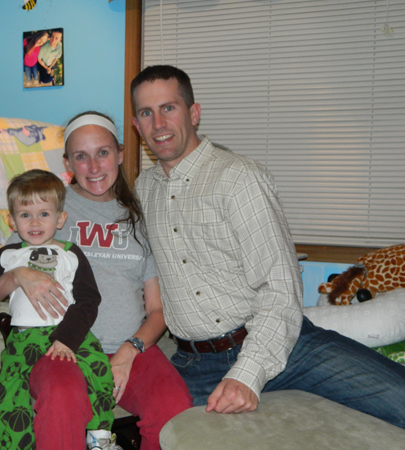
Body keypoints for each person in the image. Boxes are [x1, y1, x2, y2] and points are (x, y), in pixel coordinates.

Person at [130, 64, 405, 428]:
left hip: (285, 344)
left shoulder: (238, 178)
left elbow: (280, 287)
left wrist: (248, 373)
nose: (158, 124)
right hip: (194, 363)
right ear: (136, 126)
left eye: (169, 108)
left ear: (193, 113)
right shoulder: (144, 189)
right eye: (146, 113)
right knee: (161, 428)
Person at [0, 112, 192, 450]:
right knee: (62, 397)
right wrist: (18, 275)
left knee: (175, 408)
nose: (94, 166)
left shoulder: (139, 219)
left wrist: (129, 352)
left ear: (119, 153)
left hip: (128, 344)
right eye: (81, 156)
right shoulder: (48, 208)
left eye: (102, 153)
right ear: (68, 162)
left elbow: (157, 310)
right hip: (61, 345)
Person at [0, 169, 120, 450]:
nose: (35, 222)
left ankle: (100, 438)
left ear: (60, 218)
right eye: (25, 215)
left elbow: (88, 299)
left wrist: (67, 338)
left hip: (71, 335)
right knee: (7, 394)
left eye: (44, 214)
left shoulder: (71, 253)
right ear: (11, 219)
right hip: (24, 338)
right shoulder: (7, 256)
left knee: (100, 372)